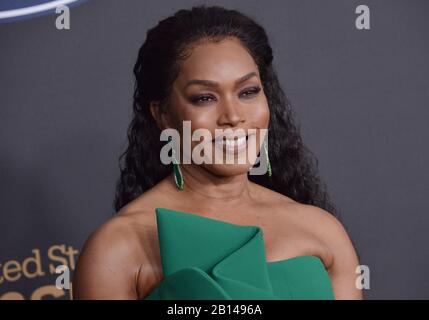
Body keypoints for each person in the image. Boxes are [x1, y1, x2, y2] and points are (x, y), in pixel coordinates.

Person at [72, 5, 362, 300]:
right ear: (162, 115)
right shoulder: (118, 248)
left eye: (248, 92)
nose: (233, 116)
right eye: (205, 98)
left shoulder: (322, 230)